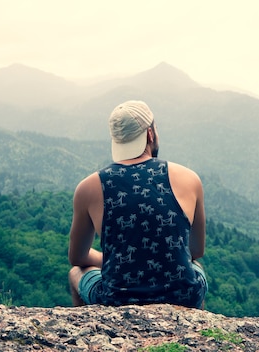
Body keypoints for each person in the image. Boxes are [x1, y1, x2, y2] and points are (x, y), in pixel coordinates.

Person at [68, 100, 207, 308]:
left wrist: (118, 258)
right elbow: (195, 251)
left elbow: (77, 257)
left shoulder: (88, 188)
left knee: (75, 274)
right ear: (150, 134)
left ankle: (89, 330)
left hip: (116, 300)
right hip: (183, 297)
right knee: (194, 269)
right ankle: (195, 329)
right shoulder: (189, 178)